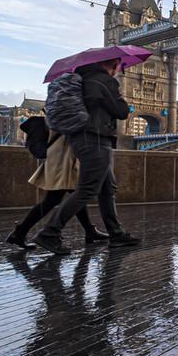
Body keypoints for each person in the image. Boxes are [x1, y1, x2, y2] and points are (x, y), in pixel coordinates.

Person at [34, 59, 139, 255]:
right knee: (88, 189)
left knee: (107, 188)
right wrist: (120, 97)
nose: (119, 70)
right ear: (113, 64)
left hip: (80, 137)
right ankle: (49, 233)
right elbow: (122, 112)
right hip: (97, 138)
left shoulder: (81, 79)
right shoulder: (104, 81)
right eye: (119, 66)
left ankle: (116, 234)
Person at [5, 127, 109, 250]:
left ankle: (89, 230)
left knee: (73, 195)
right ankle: (22, 232)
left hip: (64, 153)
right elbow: (72, 123)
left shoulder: (56, 107)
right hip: (63, 154)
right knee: (57, 198)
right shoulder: (63, 107)